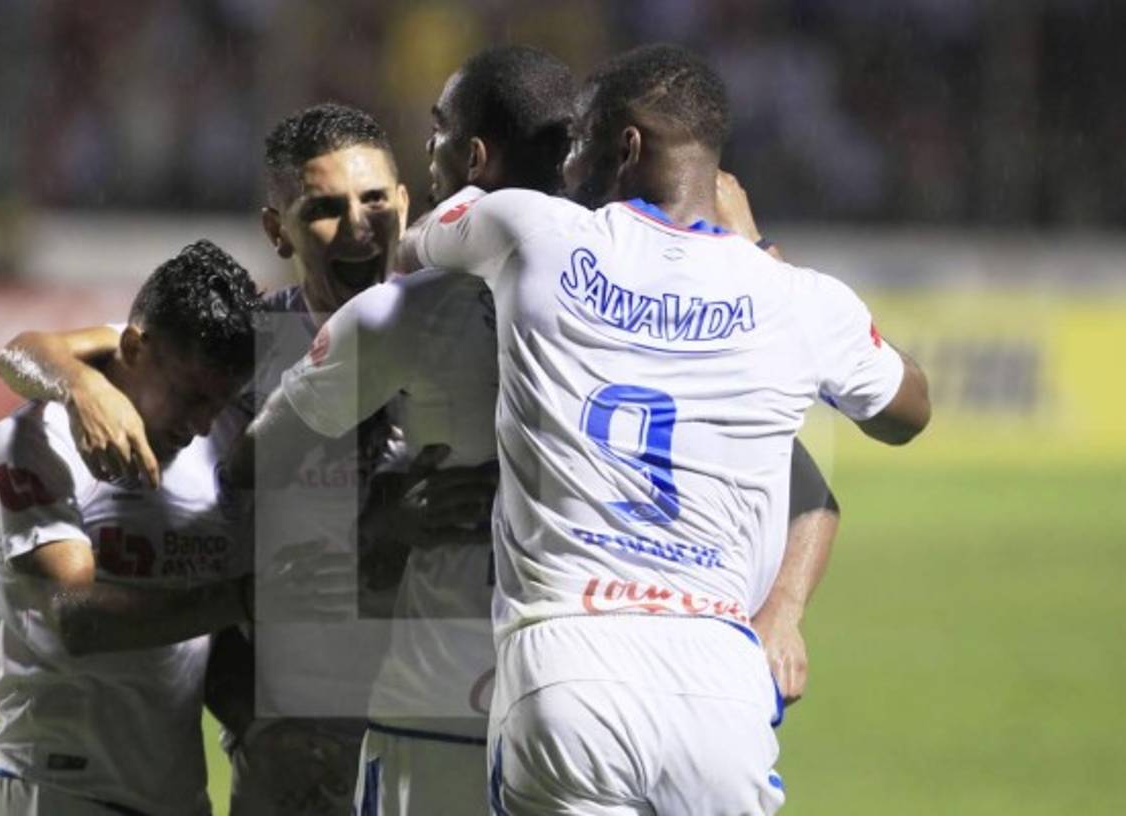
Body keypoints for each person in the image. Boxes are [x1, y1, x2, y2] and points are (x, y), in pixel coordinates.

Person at [248, 45, 842, 815]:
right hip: (613, 704)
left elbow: (262, 460)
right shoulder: (656, 311)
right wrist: (782, 615)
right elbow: (809, 489)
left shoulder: (407, 312)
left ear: (471, 157)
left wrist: (374, 522)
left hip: (449, 718)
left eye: (437, 131)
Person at [398, 44, 931, 814]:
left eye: (579, 144)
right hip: (719, 680)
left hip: (569, 659)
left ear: (626, 147)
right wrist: (759, 253)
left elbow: (414, 244)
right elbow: (908, 410)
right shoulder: (796, 299)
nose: (568, 167)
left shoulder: (533, 231)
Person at [0, 104, 413, 815]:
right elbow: (26, 351)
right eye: (324, 208)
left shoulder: (456, 325)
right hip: (294, 742)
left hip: (437, 713)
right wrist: (84, 387)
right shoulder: (246, 347)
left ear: (404, 204)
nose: (357, 225)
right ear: (277, 230)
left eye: (374, 200)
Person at [0, 240, 261, 816]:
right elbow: (76, 617)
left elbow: (204, 646)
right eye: (189, 397)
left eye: (218, 402)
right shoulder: (37, 442)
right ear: (132, 348)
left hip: (177, 799)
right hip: (52, 795)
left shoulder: (225, 440)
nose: (203, 423)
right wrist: (248, 597)